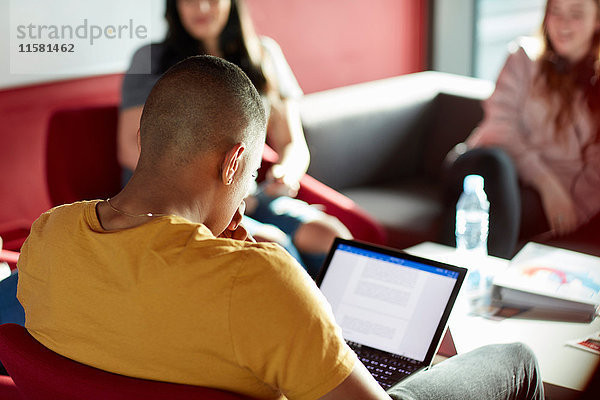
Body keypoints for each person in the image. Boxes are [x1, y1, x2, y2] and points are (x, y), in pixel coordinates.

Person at [17, 55, 544, 400]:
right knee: (515, 359)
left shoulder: (48, 237)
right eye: (249, 176)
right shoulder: (256, 280)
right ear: (232, 164)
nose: (247, 196)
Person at [117, 0, 351, 277]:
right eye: (190, 0)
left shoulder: (265, 54)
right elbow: (130, 148)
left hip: (253, 193)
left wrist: (286, 174)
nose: (202, 8)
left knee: (334, 237)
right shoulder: (151, 58)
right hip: (187, 201)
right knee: (276, 246)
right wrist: (225, 192)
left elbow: (293, 143)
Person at [441, 0, 600, 259]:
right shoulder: (523, 58)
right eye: (555, 12)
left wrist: (571, 210)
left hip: (529, 197)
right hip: (479, 167)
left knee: (502, 207)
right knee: (495, 164)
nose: (562, 24)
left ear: (597, 21)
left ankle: (460, 278)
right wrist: (547, 182)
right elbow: (499, 129)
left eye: (576, 15)